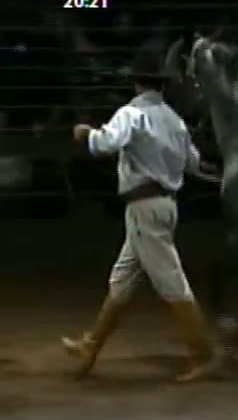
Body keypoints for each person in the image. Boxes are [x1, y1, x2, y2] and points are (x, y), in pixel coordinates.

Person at [60, 38, 221, 382]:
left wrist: (85, 133)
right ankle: (91, 345)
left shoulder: (131, 114)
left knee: (171, 281)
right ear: (162, 83)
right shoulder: (175, 122)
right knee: (122, 280)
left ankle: (202, 353)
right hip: (161, 205)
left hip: (144, 207)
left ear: (136, 81)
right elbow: (194, 164)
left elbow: (106, 144)